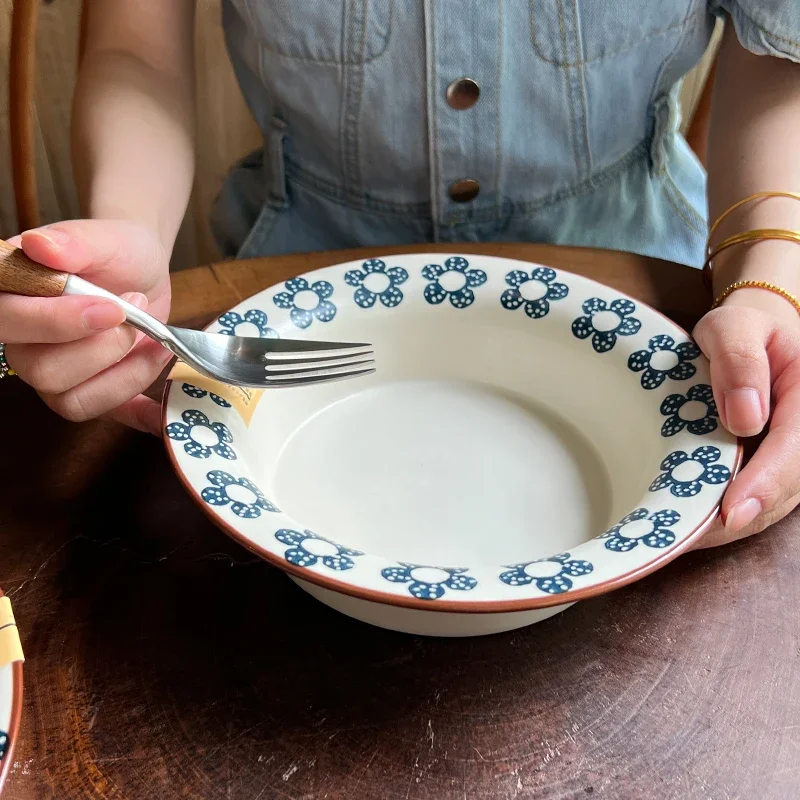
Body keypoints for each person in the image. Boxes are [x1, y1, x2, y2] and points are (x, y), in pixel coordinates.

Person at [0, 1, 798, 549]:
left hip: (655, 297)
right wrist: (128, 237)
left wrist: (774, 274)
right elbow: (136, 48)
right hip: (286, 296)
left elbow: (777, 50)